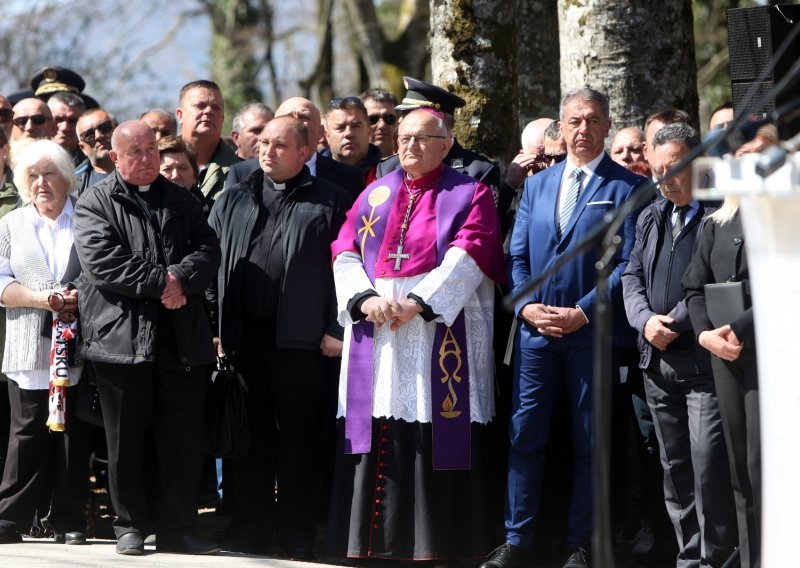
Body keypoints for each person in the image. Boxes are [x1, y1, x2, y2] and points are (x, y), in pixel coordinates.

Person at [326, 107, 505, 562]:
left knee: (434, 423)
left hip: (439, 333)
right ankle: (370, 545)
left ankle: (438, 545)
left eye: (423, 138)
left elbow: (470, 252)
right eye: (404, 138)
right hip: (379, 332)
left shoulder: (470, 192)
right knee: (377, 421)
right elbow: (344, 250)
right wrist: (363, 300)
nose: (410, 145)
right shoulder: (374, 194)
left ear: (446, 145)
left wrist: (419, 304)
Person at [485, 88, 646, 568]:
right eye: (574, 120)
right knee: (524, 435)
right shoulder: (537, 185)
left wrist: (582, 310)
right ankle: (517, 540)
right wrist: (526, 308)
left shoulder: (628, 187)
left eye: (593, 120)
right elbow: (516, 257)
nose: (583, 129)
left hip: (590, 333)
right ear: (561, 125)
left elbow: (628, 265)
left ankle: (583, 542)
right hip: (536, 333)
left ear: (607, 126)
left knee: (589, 442)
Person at [73, 121, 221, 556]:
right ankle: (130, 525)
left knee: (180, 438)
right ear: (114, 158)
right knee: (126, 441)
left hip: (181, 339)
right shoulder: (95, 202)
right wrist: (164, 283)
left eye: (152, 150)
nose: (147, 159)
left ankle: (178, 527)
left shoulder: (183, 199)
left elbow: (209, 249)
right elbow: (104, 262)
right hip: (120, 339)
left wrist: (181, 278)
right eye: (135, 152)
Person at [208, 115, 352, 558]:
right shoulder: (232, 197)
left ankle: (295, 534)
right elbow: (210, 265)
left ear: (305, 153)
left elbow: (348, 268)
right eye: (263, 142)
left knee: (299, 444)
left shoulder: (332, 201)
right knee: (249, 444)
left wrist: (334, 326)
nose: (266, 151)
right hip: (244, 340)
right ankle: (251, 531)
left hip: (304, 344)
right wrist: (216, 329)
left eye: (279, 145)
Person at [622, 123, 737, 566]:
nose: (666, 179)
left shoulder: (719, 212)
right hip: (656, 362)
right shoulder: (652, 214)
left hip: (703, 362)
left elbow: (710, 282)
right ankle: (690, 558)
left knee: (709, 466)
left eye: (675, 168)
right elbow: (631, 274)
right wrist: (645, 320)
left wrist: (674, 321)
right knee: (674, 471)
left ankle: (718, 558)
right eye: (658, 171)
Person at [680, 145, 769, 568]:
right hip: (724, 356)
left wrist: (739, 329)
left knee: (763, 467)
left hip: (770, 355)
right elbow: (694, 286)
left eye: (759, 149)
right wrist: (705, 335)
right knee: (739, 473)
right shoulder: (717, 220)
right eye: (742, 151)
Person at [0, 139, 90, 545]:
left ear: (67, 178)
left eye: (49, 173)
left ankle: (70, 520)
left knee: (72, 434)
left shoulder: (88, 218)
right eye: (32, 176)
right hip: (27, 343)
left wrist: (75, 299)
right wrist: (42, 300)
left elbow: (101, 269)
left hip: (79, 345)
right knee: (28, 432)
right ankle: (10, 517)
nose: (41, 183)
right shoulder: (10, 225)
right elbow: (1, 283)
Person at [225, 97, 365, 200]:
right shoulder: (242, 173)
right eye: (287, 117)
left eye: (303, 117)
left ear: (320, 133)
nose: (294, 122)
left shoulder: (350, 178)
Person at [377, 77, 500, 189]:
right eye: (403, 114)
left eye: (410, 115)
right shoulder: (388, 168)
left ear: (440, 120)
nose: (400, 120)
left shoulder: (478, 170)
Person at [176, 80, 238, 200]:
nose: (209, 111)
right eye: (200, 105)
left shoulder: (239, 172)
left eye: (216, 108)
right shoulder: (158, 163)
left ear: (222, 118)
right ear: (180, 115)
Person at [325, 96, 382, 184]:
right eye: (340, 127)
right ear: (327, 135)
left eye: (356, 126)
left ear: (369, 131)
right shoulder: (312, 174)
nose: (348, 133)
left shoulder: (388, 173)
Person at [158, 135, 211, 215]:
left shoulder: (212, 213)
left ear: (195, 176)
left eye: (182, 168)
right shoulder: (142, 214)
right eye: (167, 169)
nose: (175, 175)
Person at [75, 108, 117, 195]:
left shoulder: (143, 168)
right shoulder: (75, 190)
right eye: (89, 135)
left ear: (116, 129)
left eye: (104, 128)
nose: (98, 136)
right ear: (82, 148)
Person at [643, 107, 690, 173]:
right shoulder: (637, 183)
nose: (666, 149)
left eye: (673, 140)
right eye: (658, 141)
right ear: (645, 151)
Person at [46, 92, 86, 170]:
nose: (65, 128)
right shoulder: (30, 157)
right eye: (58, 119)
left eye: (72, 121)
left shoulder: (94, 163)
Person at [359, 88, 399, 158]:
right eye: (372, 119)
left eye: (389, 118)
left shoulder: (411, 166)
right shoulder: (348, 167)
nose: (382, 125)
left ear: (398, 122)